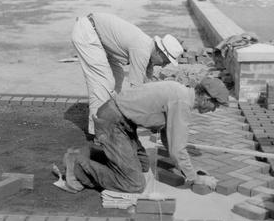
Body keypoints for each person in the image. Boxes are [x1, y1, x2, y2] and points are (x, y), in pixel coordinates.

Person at [62, 77, 230, 193]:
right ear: (207, 99)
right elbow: (177, 150)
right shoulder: (182, 103)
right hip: (113, 123)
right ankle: (77, 165)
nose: (213, 110)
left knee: (143, 165)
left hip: (121, 121)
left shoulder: (180, 91)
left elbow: (169, 139)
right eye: (216, 106)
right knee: (134, 183)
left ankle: (95, 153)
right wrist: (195, 178)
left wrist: (190, 170)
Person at [71, 12, 184, 135]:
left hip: (98, 37)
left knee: (117, 76)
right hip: (88, 33)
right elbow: (137, 90)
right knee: (102, 83)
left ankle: (111, 115)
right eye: (166, 61)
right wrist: (148, 119)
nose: (163, 65)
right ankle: (98, 133)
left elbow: (148, 84)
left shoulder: (149, 50)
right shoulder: (142, 50)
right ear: (160, 52)